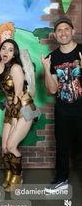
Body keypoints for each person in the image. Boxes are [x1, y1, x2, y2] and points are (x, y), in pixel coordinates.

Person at [0, 39, 38, 192]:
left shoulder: (16, 68)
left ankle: (17, 177)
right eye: (4, 48)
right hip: (11, 108)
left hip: (24, 108)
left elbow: (18, 94)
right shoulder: (1, 67)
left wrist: (15, 121)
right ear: (0, 51)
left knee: (11, 146)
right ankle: (9, 174)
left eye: (11, 50)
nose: (6, 52)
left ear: (14, 54)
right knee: (4, 148)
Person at [41, 16, 82, 193]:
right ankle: (61, 180)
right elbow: (51, 90)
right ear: (55, 35)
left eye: (66, 29)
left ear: (72, 31)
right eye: (59, 30)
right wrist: (46, 68)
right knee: (62, 146)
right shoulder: (52, 58)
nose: (63, 33)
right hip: (63, 109)